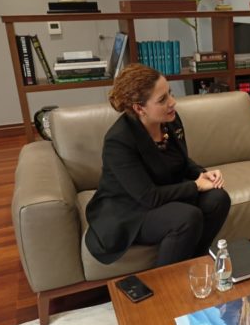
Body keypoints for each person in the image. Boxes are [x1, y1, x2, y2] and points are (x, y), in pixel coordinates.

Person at [85, 64, 231, 266]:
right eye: (162, 99)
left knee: (218, 198)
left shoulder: (170, 120)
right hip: (130, 209)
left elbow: (180, 161)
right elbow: (148, 197)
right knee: (186, 217)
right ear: (139, 108)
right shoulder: (119, 141)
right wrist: (196, 185)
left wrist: (202, 174)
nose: (172, 102)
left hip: (164, 192)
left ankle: (194, 263)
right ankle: (164, 282)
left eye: (170, 93)